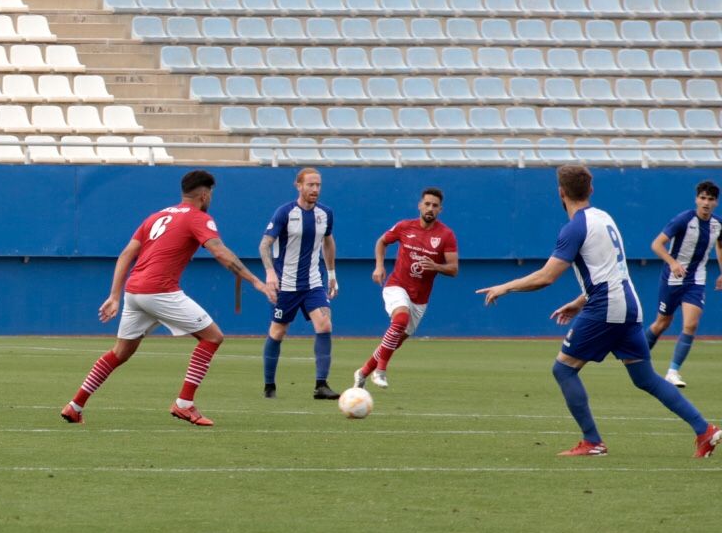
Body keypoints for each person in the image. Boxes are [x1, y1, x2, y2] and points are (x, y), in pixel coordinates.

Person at [477, 165, 720, 459]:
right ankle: (704, 430)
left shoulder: (574, 227)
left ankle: (592, 441)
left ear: (561, 192)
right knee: (644, 377)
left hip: (606, 306)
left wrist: (505, 286)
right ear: (590, 190)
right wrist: (580, 301)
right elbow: (610, 270)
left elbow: (546, 277)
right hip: (628, 303)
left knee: (564, 369)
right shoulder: (604, 217)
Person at [60, 169, 275, 427]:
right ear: (205, 195)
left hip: (134, 292)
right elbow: (219, 252)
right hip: (159, 291)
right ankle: (184, 404)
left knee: (120, 352)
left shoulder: (157, 216)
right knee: (212, 337)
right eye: (211, 194)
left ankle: (75, 406)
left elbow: (127, 254)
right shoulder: (198, 217)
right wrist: (256, 282)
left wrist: (115, 295)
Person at [353, 187, 459, 390]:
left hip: (420, 298)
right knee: (400, 319)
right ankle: (380, 371)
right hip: (397, 285)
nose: (430, 208)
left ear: (440, 210)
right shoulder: (404, 226)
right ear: (419, 205)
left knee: (395, 340)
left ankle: (363, 372)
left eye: (435, 206)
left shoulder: (446, 235)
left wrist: (436, 266)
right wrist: (379, 266)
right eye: (427, 204)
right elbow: (382, 242)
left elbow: (454, 269)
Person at [258, 166, 339, 400]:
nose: (315, 189)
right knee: (278, 331)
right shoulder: (284, 213)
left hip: (313, 283)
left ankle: (321, 385)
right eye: (310, 184)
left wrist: (331, 274)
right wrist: (270, 273)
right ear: (299, 185)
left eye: (318, 185)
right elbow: (264, 244)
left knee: (324, 325)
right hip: (286, 285)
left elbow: (328, 242)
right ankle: (269, 386)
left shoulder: (325, 213)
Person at [646, 180, 719, 389]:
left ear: (716, 202)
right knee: (662, 323)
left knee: (691, 324)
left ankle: (673, 372)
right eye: (703, 198)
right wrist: (673, 263)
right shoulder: (684, 219)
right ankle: (636, 356)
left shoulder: (717, 224)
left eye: (710, 199)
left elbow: (720, 246)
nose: (706, 203)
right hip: (672, 278)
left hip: (696, 280)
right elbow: (656, 244)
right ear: (696, 199)